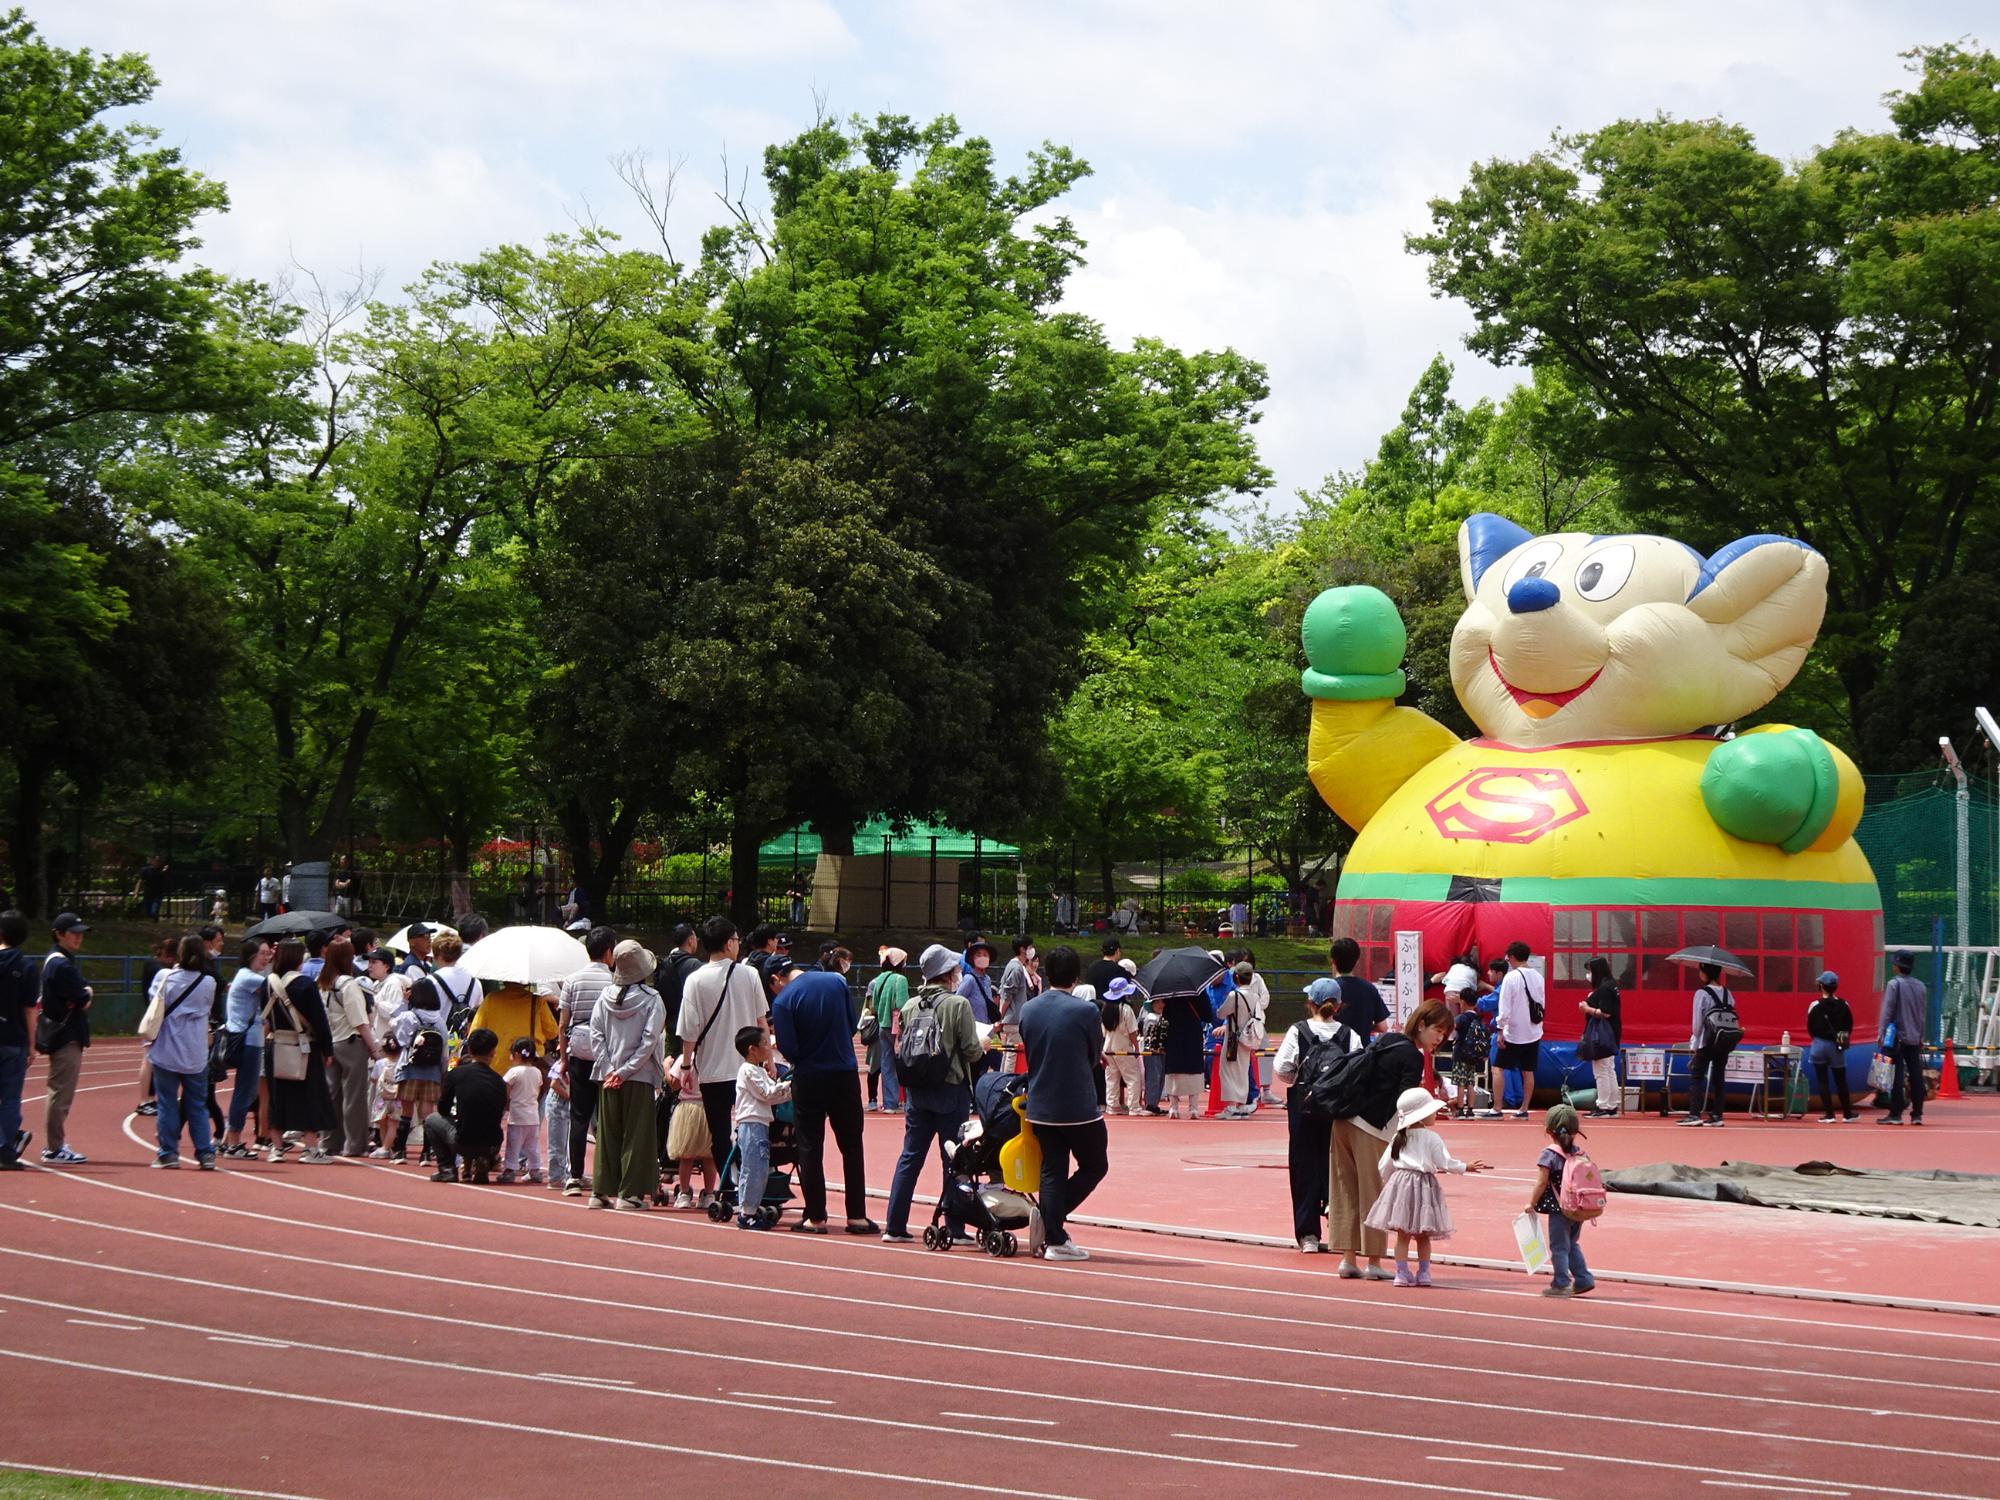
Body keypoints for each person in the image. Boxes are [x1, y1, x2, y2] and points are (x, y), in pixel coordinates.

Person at [882, 944, 987, 1243]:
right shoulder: (957, 1005)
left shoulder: (912, 1005)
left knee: (910, 1155)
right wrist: (984, 1045)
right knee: (954, 1158)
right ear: (948, 973)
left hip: (917, 1088)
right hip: (950, 1087)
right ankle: (955, 1226)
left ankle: (895, 1225)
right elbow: (970, 1050)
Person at [1329, 1000, 1441, 1281]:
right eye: (1438, 1030)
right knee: (1374, 1193)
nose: (1440, 1038)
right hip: (1371, 1126)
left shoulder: (1387, 1040)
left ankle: (1347, 1259)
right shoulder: (1413, 1057)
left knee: (1345, 1191)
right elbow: (1406, 1104)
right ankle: (1374, 1261)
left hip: (1342, 1120)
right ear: (1422, 1024)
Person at [771, 948, 874, 1235]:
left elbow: (788, 1048)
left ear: (775, 979)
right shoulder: (837, 982)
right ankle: (857, 1216)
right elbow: (852, 1022)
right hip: (844, 1073)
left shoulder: (783, 1001)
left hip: (810, 1075)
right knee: (852, 1144)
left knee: (809, 1146)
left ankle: (816, 1217)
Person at [1018, 945, 1108, 1262]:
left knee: (1052, 1170)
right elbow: (1093, 1055)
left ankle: (1054, 1233)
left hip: (1040, 1103)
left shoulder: (1029, 1009)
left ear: (1047, 973)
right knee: (1096, 1165)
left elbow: (1030, 1046)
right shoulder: (1086, 1011)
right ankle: (1050, 1222)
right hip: (1078, 1106)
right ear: (1076, 975)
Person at [1363, 1084, 1488, 1285]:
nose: (1435, 1114)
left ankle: (1401, 1273)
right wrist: (1466, 1166)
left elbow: (1384, 1165)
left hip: (1400, 1183)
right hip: (1424, 1185)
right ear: (1421, 1116)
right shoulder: (1431, 1138)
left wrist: (1390, 1184)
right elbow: (1444, 1163)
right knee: (1423, 1234)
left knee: (1402, 1235)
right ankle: (1424, 1273)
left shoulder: (1399, 1137)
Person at [1273, 986, 1361, 1252]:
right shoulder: (1349, 1035)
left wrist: (1300, 1082)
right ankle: (1340, 1228)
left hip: (1305, 1108)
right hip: (1337, 1111)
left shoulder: (1298, 1031)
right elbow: (1357, 1070)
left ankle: (1308, 1234)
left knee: (1303, 1169)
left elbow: (1281, 1069)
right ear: (1339, 1005)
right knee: (1340, 1167)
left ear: (1310, 1002)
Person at [678, 917, 770, 1162]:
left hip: (711, 1070)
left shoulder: (695, 980)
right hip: (747, 1067)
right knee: (751, 1127)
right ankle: (748, 1183)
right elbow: (762, 1022)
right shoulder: (749, 974)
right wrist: (769, 1059)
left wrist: (686, 1066)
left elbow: (689, 1030)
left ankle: (729, 1186)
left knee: (719, 1133)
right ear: (729, 943)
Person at [586, 939, 666, 1210]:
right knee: (637, 1134)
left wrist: (610, 1068)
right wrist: (626, 1070)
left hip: (607, 1076)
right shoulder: (652, 999)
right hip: (639, 1076)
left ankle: (600, 1190)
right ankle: (630, 1193)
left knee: (608, 1133)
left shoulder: (605, 997)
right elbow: (650, 1040)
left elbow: (596, 1035)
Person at [138, 934, 217, 1170]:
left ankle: (168, 1153)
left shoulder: (164, 977)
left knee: (167, 1104)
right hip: (195, 1052)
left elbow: (155, 1000)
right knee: (197, 1105)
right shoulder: (208, 982)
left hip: (167, 1049)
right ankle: (205, 1153)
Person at [555, 925, 618, 1195]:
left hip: (579, 1051)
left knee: (578, 1115)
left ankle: (575, 1176)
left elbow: (562, 1024)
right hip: (608, 1053)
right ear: (608, 952)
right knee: (606, 1117)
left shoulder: (572, 980)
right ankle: (606, 1175)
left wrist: (563, 1058)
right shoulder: (615, 982)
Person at [262, 939, 334, 1164]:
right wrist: (327, 1049)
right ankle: (311, 1149)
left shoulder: (268, 983)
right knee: (311, 1094)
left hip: (275, 1044)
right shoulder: (304, 984)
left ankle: (275, 1148)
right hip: (303, 1045)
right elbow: (319, 1020)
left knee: (277, 1096)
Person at [36, 912, 93, 1165]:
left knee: (60, 1091)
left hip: (64, 1032)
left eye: (81, 933)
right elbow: (83, 998)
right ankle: (54, 1147)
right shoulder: (61, 965)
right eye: (74, 932)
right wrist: (87, 992)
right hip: (66, 1035)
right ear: (59, 934)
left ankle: (55, 1144)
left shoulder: (57, 961)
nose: (79, 937)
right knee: (61, 1092)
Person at [319, 938, 381, 1157]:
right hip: (351, 1042)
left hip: (331, 1042)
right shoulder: (348, 984)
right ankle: (355, 1144)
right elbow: (360, 1021)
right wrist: (374, 1048)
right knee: (354, 1097)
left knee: (332, 1094)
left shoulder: (324, 982)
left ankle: (329, 1141)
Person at [423, 1027, 508, 1184]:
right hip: (493, 1143)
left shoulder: (456, 1074)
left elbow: (443, 1109)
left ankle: (447, 1169)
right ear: (493, 1052)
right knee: (478, 1122)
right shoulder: (500, 1081)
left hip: (464, 1141)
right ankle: (483, 1159)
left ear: (469, 1049)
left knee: (431, 1120)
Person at [1529, 1102, 1596, 1297]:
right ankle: (1583, 1278)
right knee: (1572, 1243)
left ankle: (1561, 1282)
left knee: (1559, 1246)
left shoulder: (1549, 1155)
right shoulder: (1580, 1154)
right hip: (1578, 1208)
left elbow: (1542, 1183)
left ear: (1549, 1131)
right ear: (1576, 1131)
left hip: (1559, 1208)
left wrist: (1531, 1203)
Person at [387, 967, 454, 1161]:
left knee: (406, 1111)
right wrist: (443, 1071)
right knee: (428, 1113)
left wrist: (403, 1002)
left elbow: (398, 1035)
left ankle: (400, 1151)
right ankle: (426, 1153)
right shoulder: (439, 1019)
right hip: (432, 1071)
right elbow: (444, 1050)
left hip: (410, 1068)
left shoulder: (409, 1016)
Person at [732, 1026, 792, 1229]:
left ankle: (749, 1208)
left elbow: (772, 1095)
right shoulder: (748, 1071)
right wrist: (789, 1085)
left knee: (759, 1168)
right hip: (751, 1124)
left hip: (759, 1123)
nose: (768, 1047)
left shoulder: (757, 1070)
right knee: (754, 1168)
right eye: (764, 1044)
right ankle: (747, 1212)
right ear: (752, 1049)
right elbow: (767, 1093)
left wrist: (788, 1089)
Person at [216, 937, 271, 1157]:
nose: (267, 958)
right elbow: (275, 989)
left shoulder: (247, 976)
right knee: (244, 1092)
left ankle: (228, 1139)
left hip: (248, 1038)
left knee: (246, 1092)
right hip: (247, 1041)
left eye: (269, 954)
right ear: (251, 956)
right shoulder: (251, 978)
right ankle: (233, 1143)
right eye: (263, 953)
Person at [0, 910, 38, 1170]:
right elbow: (29, 1009)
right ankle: (5, 1150)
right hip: (14, 1039)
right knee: (11, 1097)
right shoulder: (27, 967)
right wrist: (32, 1044)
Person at [1679, 963, 1738, 1128]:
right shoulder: (1728, 992)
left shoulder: (1701, 993)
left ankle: (1694, 1114)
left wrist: (1695, 1040)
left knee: (1697, 1077)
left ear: (1706, 972)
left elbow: (1697, 1022)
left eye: (1701, 970)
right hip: (1724, 1040)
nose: (1699, 974)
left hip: (1707, 1040)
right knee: (1719, 1078)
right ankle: (1717, 1115)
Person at [1878, 951, 1929, 1127]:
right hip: (1915, 1036)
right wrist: (1921, 1034)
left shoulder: (1894, 985)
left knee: (1896, 1075)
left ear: (1898, 966)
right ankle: (1917, 1113)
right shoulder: (1921, 986)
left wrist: (1881, 1032)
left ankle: (1896, 1112)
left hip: (1897, 1036)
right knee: (1915, 1074)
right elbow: (1922, 1014)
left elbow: (1888, 1011)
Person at [1495, 942, 1545, 1120]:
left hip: (1513, 1032)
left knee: (1498, 1068)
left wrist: (1500, 1029)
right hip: (1533, 1031)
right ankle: (1524, 1108)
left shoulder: (1511, 977)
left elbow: (1505, 1006)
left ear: (1512, 956)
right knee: (1528, 1071)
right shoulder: (1538, 977)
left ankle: (1497, 1108)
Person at [1307, 937, 1389, 1040]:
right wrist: (1366, 1026)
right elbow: (1383, 1027)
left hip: (1332, 1051)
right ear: (1356, 961)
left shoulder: (1325, 989)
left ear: (1333, 961)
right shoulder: (1369, 989)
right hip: (1362, 1053)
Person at [1214, 959, 1266, 1118]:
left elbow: (1221, 1013)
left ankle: (1231, 1107)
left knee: (1228, 1071)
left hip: (1233, 1038)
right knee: (1243, 1071)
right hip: (1247, 1037)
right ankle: (1242, 1104)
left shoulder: (1234, 995)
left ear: (1236, 977)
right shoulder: (1255, 996)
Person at [663, 1054, 716, 1209]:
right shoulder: (714, 1056)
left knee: (686, 1155)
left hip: (688, 1107)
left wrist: (666, 1067)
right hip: (709, 1108)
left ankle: (684, 1193)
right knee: (709, 1157)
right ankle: (709, 1193)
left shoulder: (687, 1058)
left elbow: (674, 1084)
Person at [1806, 970, 1859, 1123]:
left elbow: (1810, 1026)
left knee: (1822, 1080)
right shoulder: (1844, 1005)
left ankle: (1829, 1114)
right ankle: (1847, 1113)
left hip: (1819, 1044)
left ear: (1821, 986)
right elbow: (1849, 1025)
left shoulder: (1814, 1005)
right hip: (1837, 1046)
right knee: (1841, 1080)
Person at [134, 932, 177, 1117]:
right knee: (148, 1059)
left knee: (151, 1058)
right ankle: (144, 1100)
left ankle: (149, 1098)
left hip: (155, 1016)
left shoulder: (152, 965)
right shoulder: (158, 969)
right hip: (155, 1018)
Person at [1160, 971, 1213, 1121]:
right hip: (1193, 1035)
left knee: (1173, 1070)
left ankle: (1173, 1108)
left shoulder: (1169, 993)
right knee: (1194, 1070)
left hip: (1174, 1034)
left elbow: (1165, 1016)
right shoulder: (1199, 992)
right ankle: (1194, 1108)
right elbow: (1208, 1015)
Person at [866, 949, 910, 1114]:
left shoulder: (879, 979)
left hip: (883, 1025)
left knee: (886, 1064)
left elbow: (874, 1005)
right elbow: (902, 1004)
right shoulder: (901, 979)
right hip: (898, 1026)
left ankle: (890, 1103)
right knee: (906, 1062)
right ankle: (907, 1101)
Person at [1578, 956, 1622, 1119]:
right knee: (1608, 1069)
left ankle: (1603, 1105)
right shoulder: (1611, 986)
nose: (1588, 975)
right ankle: (1611, 1105)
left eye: (1590, 971)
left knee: (1601, 1070)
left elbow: (1605, 1012)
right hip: (1611, 1033)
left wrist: (1587, 1008)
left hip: (1603, 1034)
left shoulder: (1604, 988)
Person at [1441, 964, 1486, 1120]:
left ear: (1462, 1001)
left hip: (1460, 1053)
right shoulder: (1478, 1018)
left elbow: (1452, 1029)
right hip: (1473, 1056)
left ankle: (1460, 1108)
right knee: (1470, 1083)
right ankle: (1471, 1109)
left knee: (1460, 1083)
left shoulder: (1461, 1018)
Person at [498, 1037, 546, 1185]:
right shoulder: (537, 1072)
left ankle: (510, 1170)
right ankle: (535, 1170)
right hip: (533, 1115)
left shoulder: (514, 1072)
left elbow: (504, 1089)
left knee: (514, 1144)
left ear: (517, 1054)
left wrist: (505, 1105)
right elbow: (539, 1089)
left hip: (517, 1115)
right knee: (532, 1146)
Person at [1099, 977, 1143, 1116]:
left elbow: (1103, 1032)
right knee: (1132, 1077)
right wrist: (1136, 1047)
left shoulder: (1105, 1009)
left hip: (1108, 1048)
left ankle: (1112, 1105)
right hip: (1123, 1048)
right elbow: (1132, 1031)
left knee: (1112, 1078)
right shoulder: (1126, 1009)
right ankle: (1134, 1106)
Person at [1138, 994, 1168, 1115]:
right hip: (1152, 1051)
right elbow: (1149, 1037)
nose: (1160, 1005)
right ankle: (1150, 1103)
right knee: (1153, 1077)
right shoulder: (1151, 1018)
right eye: (1157, 1003)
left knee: (1159, 1077)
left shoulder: (1162, 1017)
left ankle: (1154, 1103)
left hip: (1160, 1051)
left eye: (1162, 1002)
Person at [135, 854, 169, 921]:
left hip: (158, 893)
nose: (158, 862)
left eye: (159, 861)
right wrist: (136, 892)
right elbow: (140, 881)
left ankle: (155, 920)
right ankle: (152, 922)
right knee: (148, 911)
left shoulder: (162, 871)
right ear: (153, 861)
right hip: (148, 893)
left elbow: (166, 879)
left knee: (154, 911)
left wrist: (164, 871)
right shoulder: (145, 870)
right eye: (156, 860)